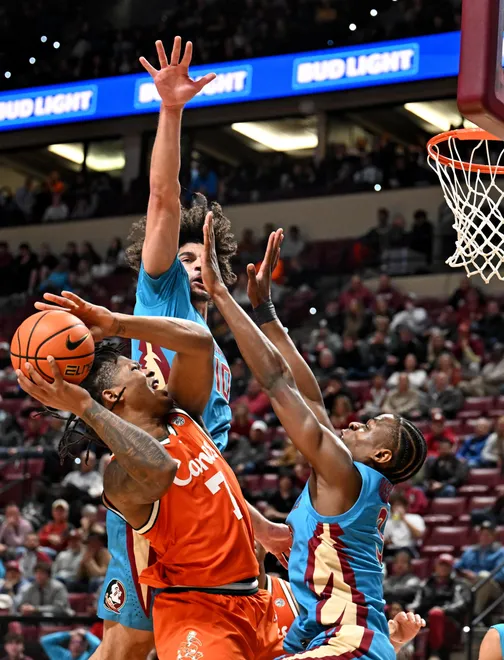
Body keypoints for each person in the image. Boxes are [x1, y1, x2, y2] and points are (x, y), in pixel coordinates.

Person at [201, 218, 428, 659]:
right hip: (341, 641)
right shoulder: (347, 480)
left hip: (347, 644)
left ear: (381, 453)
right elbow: (310, 396)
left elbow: (275, 384)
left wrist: (221, 295)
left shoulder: (346, 477)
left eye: (368, 427)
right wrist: (265, 312)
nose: (356, 423)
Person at [19, 295, 283, 660]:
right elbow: (161, 467)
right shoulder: (119, 476)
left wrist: (115, 324)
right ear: (113, 395)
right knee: (124, 647)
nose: (149, 369)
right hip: (202, 612)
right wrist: (84, 406)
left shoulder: (183, 416)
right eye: (135, 369)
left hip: (253, 601)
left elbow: (200, 343)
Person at [409, 554, 470, 660]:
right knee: (404, 614)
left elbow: (462, 604)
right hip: (427, 620)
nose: (443, 568)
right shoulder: (426, 584)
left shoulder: (459, 584)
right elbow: (416, 603)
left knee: (436, 614)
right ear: (435, 567)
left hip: (450, 622)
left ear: (451, 568)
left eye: (447, 565)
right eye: (441, 565)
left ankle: (435, 652)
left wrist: (443, 610)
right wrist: (409, 610)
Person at [455, 521, 504, 615]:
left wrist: (477, 577)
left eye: (488, 534)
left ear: (494, 536)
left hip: (494, 588)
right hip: (470, 584)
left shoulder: (501, 552)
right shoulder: (470, 551)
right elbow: (457, 567)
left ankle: (475, 614)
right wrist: (465, 573)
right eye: (482, 534)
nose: (484, 537)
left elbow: (501, 575)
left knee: (483, 576)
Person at [383, 493, 426, 558]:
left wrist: (403, 519)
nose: (396, 508)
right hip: (391, 550)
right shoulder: (387, 522)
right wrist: (387, 541)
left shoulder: (415, 518)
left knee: (402, 555)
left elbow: (418, 535)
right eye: (394, 506)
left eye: (399, 505)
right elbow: (384, 540)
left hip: (408, 549)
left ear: (405, 506)